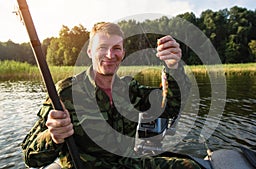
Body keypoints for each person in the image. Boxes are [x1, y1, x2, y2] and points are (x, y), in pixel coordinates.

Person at [21, 22, 200, 169]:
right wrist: (54, 137)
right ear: (90, 52)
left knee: (190, 167)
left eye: (116, 48)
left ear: (123, 53)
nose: (110, 55)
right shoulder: (65, 92)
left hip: (128, 163)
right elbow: (30, 157)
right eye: (102, 47)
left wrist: (173, 68)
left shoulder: (129, 87)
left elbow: (169, 107)